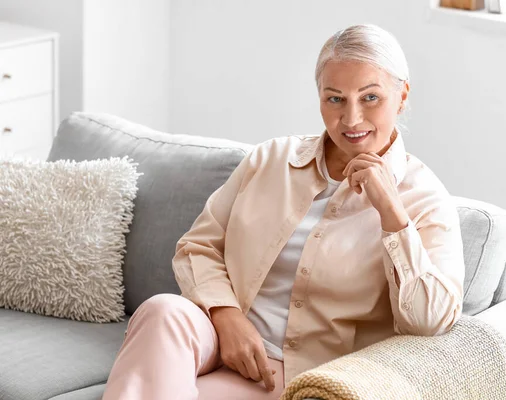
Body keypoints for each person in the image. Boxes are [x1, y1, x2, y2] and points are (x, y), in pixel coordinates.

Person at [102, 23, 465, 400]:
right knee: (162, 312)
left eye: (370, 98)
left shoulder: (425, 198)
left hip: (300, 374)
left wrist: (392, 214)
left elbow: (430, 320)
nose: (352, 119)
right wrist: (227, 317)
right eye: (335, 99)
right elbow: (198, 247)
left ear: (402, 95)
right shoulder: (271, 159)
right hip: (217, 334)